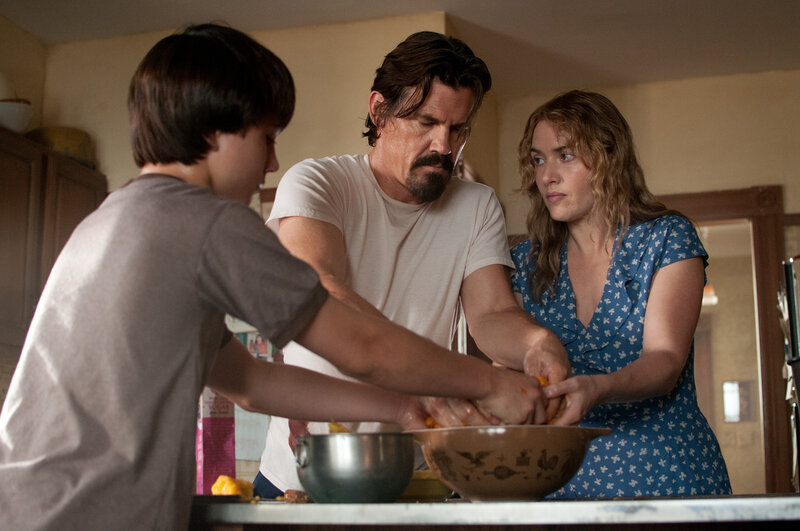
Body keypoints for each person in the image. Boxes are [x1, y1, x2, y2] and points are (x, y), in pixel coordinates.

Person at [0, 24, 551, 531]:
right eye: (266, 137)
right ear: (216, 130)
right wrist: (488, 384)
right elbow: (360, 345)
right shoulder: (206, 222)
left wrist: (403, 409)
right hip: (89, 511)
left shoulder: (122, 216)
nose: (271, 163)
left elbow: (251, 384)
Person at [256, 30, 570, 497]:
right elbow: (326, 294)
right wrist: (446, 381)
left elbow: (491, 313)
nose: (444, 146)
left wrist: (536, 342)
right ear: (379, 111)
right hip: (305, 470)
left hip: (416, 473)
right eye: (427, 122)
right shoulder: (317, 183)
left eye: (458, 129)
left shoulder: (477, 206)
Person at [510, 89, 731, 497]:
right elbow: (507, 367)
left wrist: (597, 387)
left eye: (565, 155)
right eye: (538, 160)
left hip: (665, 475)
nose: (547, 176)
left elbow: (664, 360)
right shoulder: (526, 263)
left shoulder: (666, 239)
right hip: (558, 481)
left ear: (608, 158)